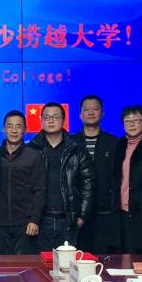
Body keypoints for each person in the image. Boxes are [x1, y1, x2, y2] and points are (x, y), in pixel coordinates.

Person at [29, 102, 93, 252]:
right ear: (41, 121)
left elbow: (88, 184)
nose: (51, 121)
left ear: (64, 120)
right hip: (40, 221)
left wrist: (82, 216)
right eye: (47, 117)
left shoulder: (77, 150)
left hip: (68, 220)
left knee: (67, 264)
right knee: (40, 263)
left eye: (55, 117)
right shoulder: (32, 149)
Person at [0, 110, 45, 255]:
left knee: (24, 264)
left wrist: (35, 220)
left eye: (18, 126)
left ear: (25, 130)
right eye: (10, 126)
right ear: (4, 129)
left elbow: (39, 190)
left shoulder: (34, 156)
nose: (14, 130)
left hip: (25, 224)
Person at [73, 95, 120, 254]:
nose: (91, 112)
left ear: (102, 113)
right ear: (80, 115)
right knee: (78, 258)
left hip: (104, 212)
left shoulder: (113, 142)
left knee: (104, 258)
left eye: (95, 109)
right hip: (77, 214)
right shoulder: (71, 143)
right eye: (87, 109)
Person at [111, 106, 142, 256]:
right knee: (124, 256)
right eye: (127, 121)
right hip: (122, 211)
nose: (131, 124)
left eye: (136, 120)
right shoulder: (120, 145)